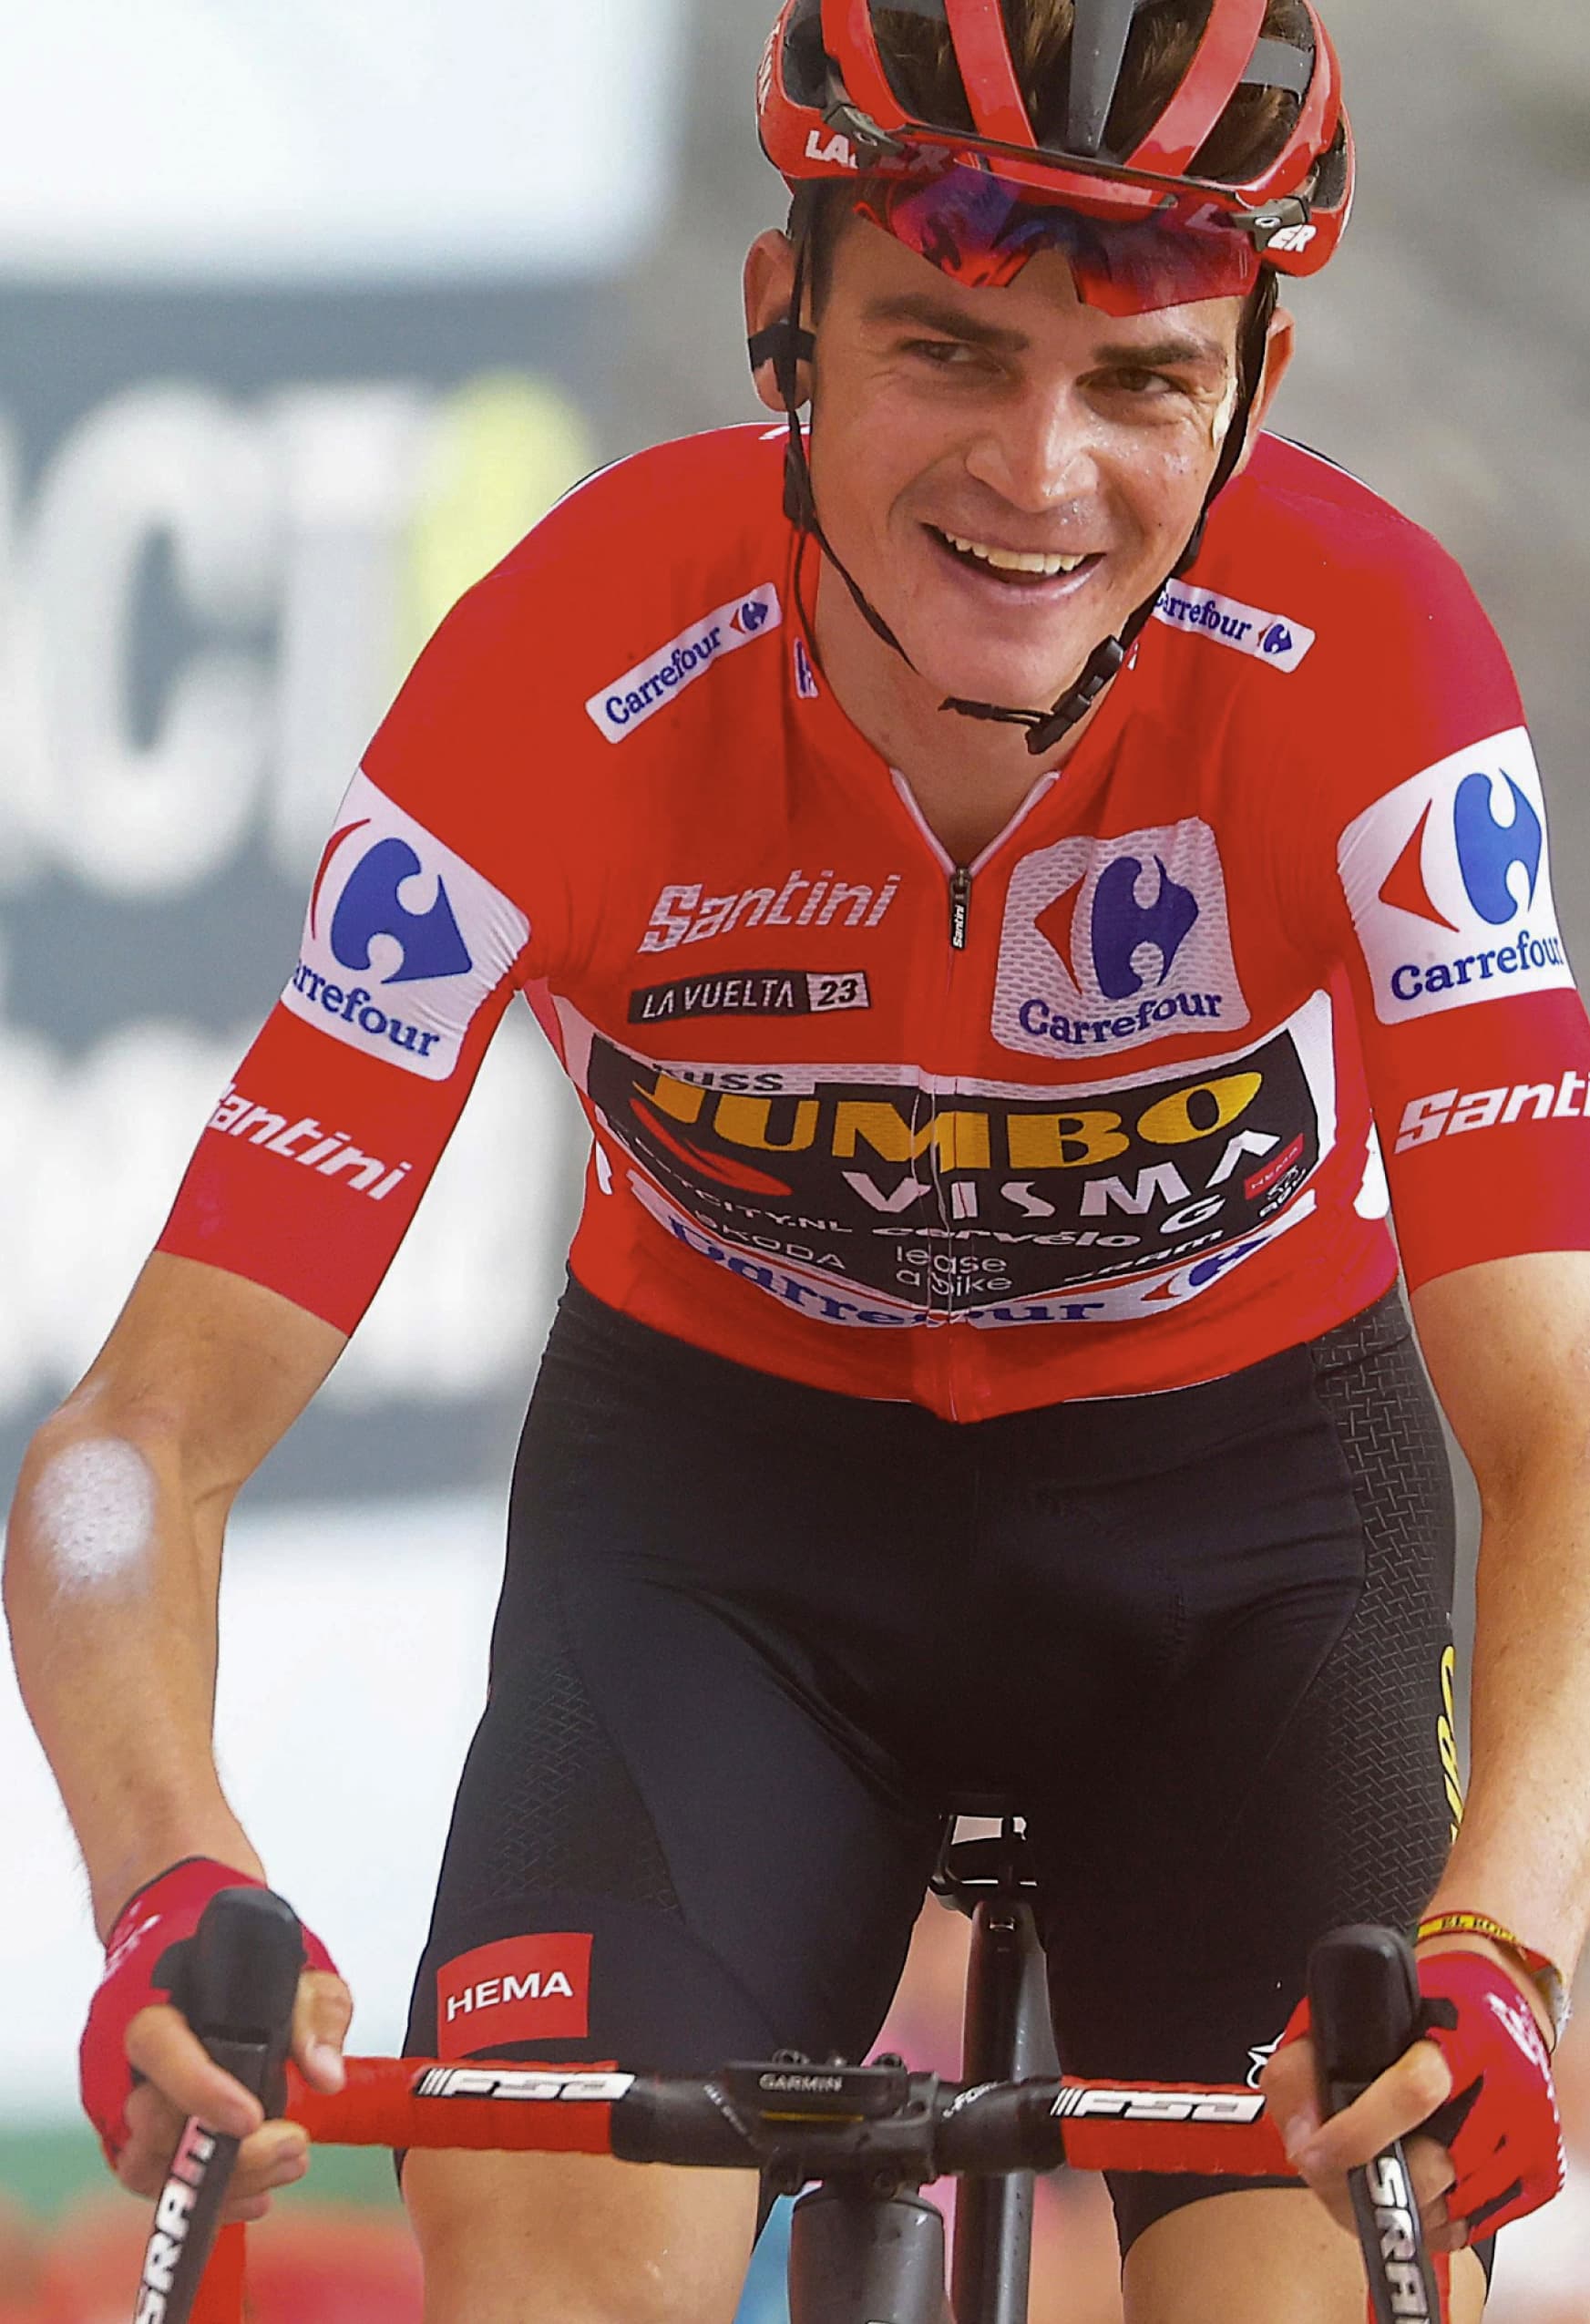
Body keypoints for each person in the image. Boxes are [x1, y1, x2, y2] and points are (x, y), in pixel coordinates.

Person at [5, 0, 1586, 2316]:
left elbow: (1562, 1424)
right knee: (547, 2273)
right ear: (788, 332)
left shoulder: (1377, 672)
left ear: (1249, 392)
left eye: (1141, 379)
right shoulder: (564, 664)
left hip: (1243, 1555)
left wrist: (1508, 1944)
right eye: (951, 348)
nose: (1041, 474)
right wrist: (173, 1877)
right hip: (721, 1533)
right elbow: (129, 1450)